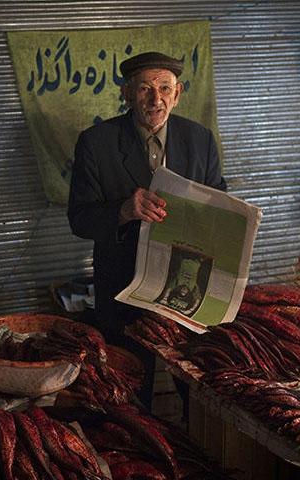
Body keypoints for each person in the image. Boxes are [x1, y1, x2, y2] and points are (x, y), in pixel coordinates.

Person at [67, 51, 227, 407]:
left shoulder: (200, 139)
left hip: (186, 288)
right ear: (127, 94)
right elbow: (79, 218)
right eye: (145, 89)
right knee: (130, 392)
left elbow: (219, 199)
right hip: (124, 285)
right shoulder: (96, 143)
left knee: (195, 388)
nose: (156, 99)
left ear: (178, 92)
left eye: (165, 88)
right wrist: (124, 210)